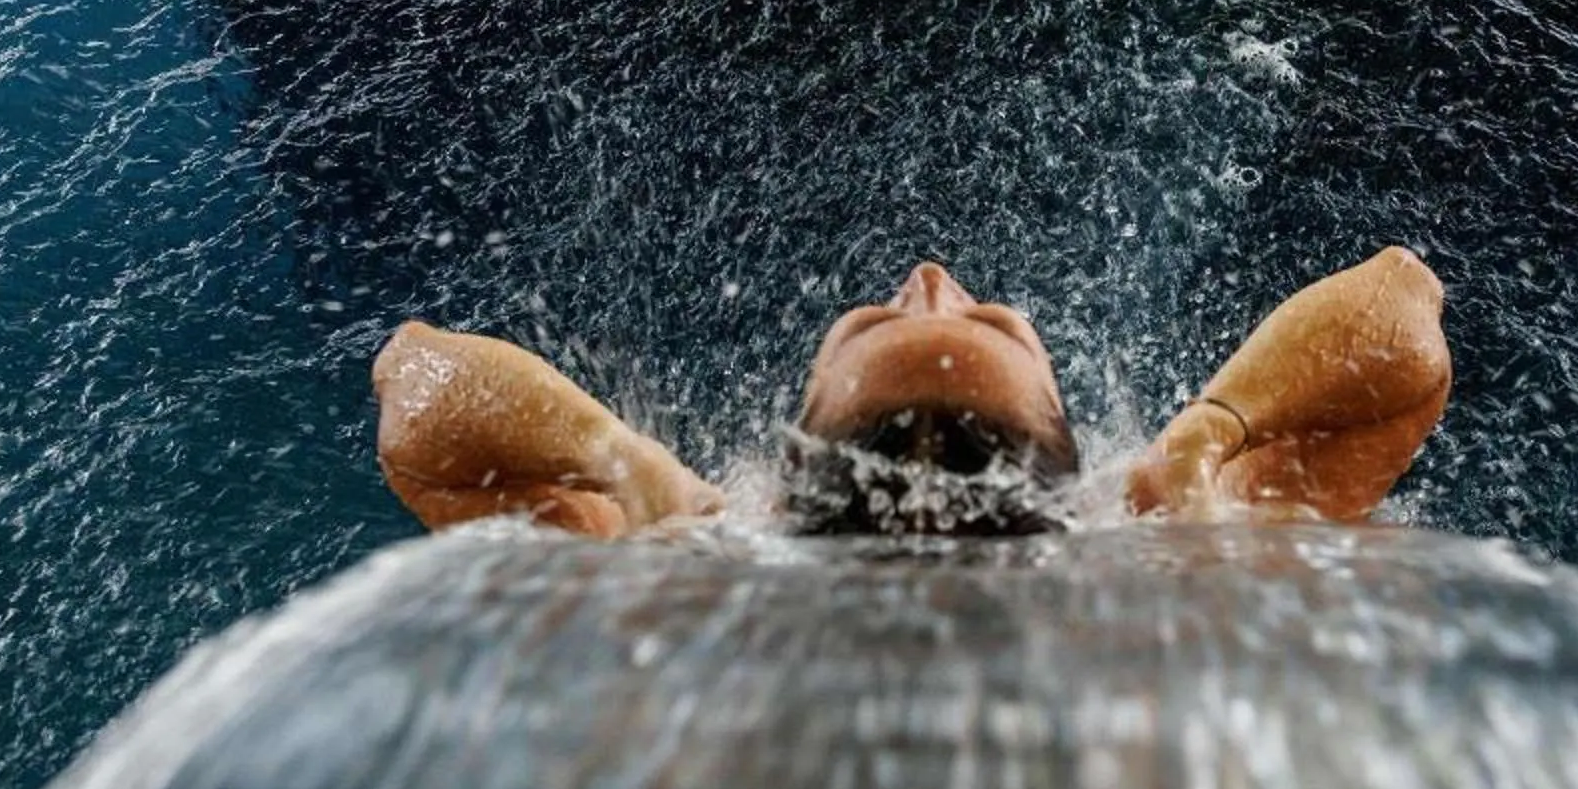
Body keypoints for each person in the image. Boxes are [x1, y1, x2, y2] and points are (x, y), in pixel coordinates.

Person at [371, 247, 1450, 537]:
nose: (931, 279)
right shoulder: (1178, 548)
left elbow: (414, 377)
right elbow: (1403, 305)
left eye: (874, 319)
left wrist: (633, 468)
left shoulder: (688, 578)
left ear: (786, 473)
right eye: (990, 321)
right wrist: (1205, 440)